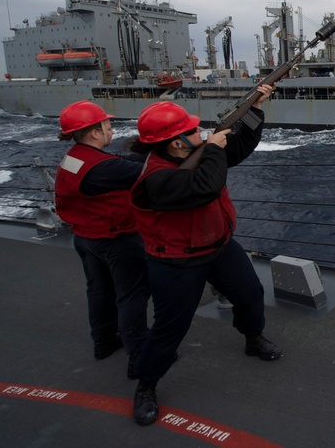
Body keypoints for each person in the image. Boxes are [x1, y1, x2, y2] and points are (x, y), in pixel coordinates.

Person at [128, 87, 282, 426]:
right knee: (170, 327)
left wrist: (253, 110)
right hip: (176, 261)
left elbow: (236, 150)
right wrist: (212, 147)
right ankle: (147, 384)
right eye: (193, 130)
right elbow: (206, 187)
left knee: (250, 295)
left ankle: (253, 338)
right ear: (177, 143)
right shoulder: (156, 178)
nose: (200, 132)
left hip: (218, 246)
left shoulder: (195, 154)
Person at [54, 101, 149, 377]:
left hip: (85, 238)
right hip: (116, 240)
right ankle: (139, 355)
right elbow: (149, 173)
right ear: (94, 132)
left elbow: (119, 164)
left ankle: (104, 341)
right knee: (133, 295)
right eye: (107, 126)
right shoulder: (104, 169)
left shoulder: (74, 156)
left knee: (99, 290)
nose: (111, 130)